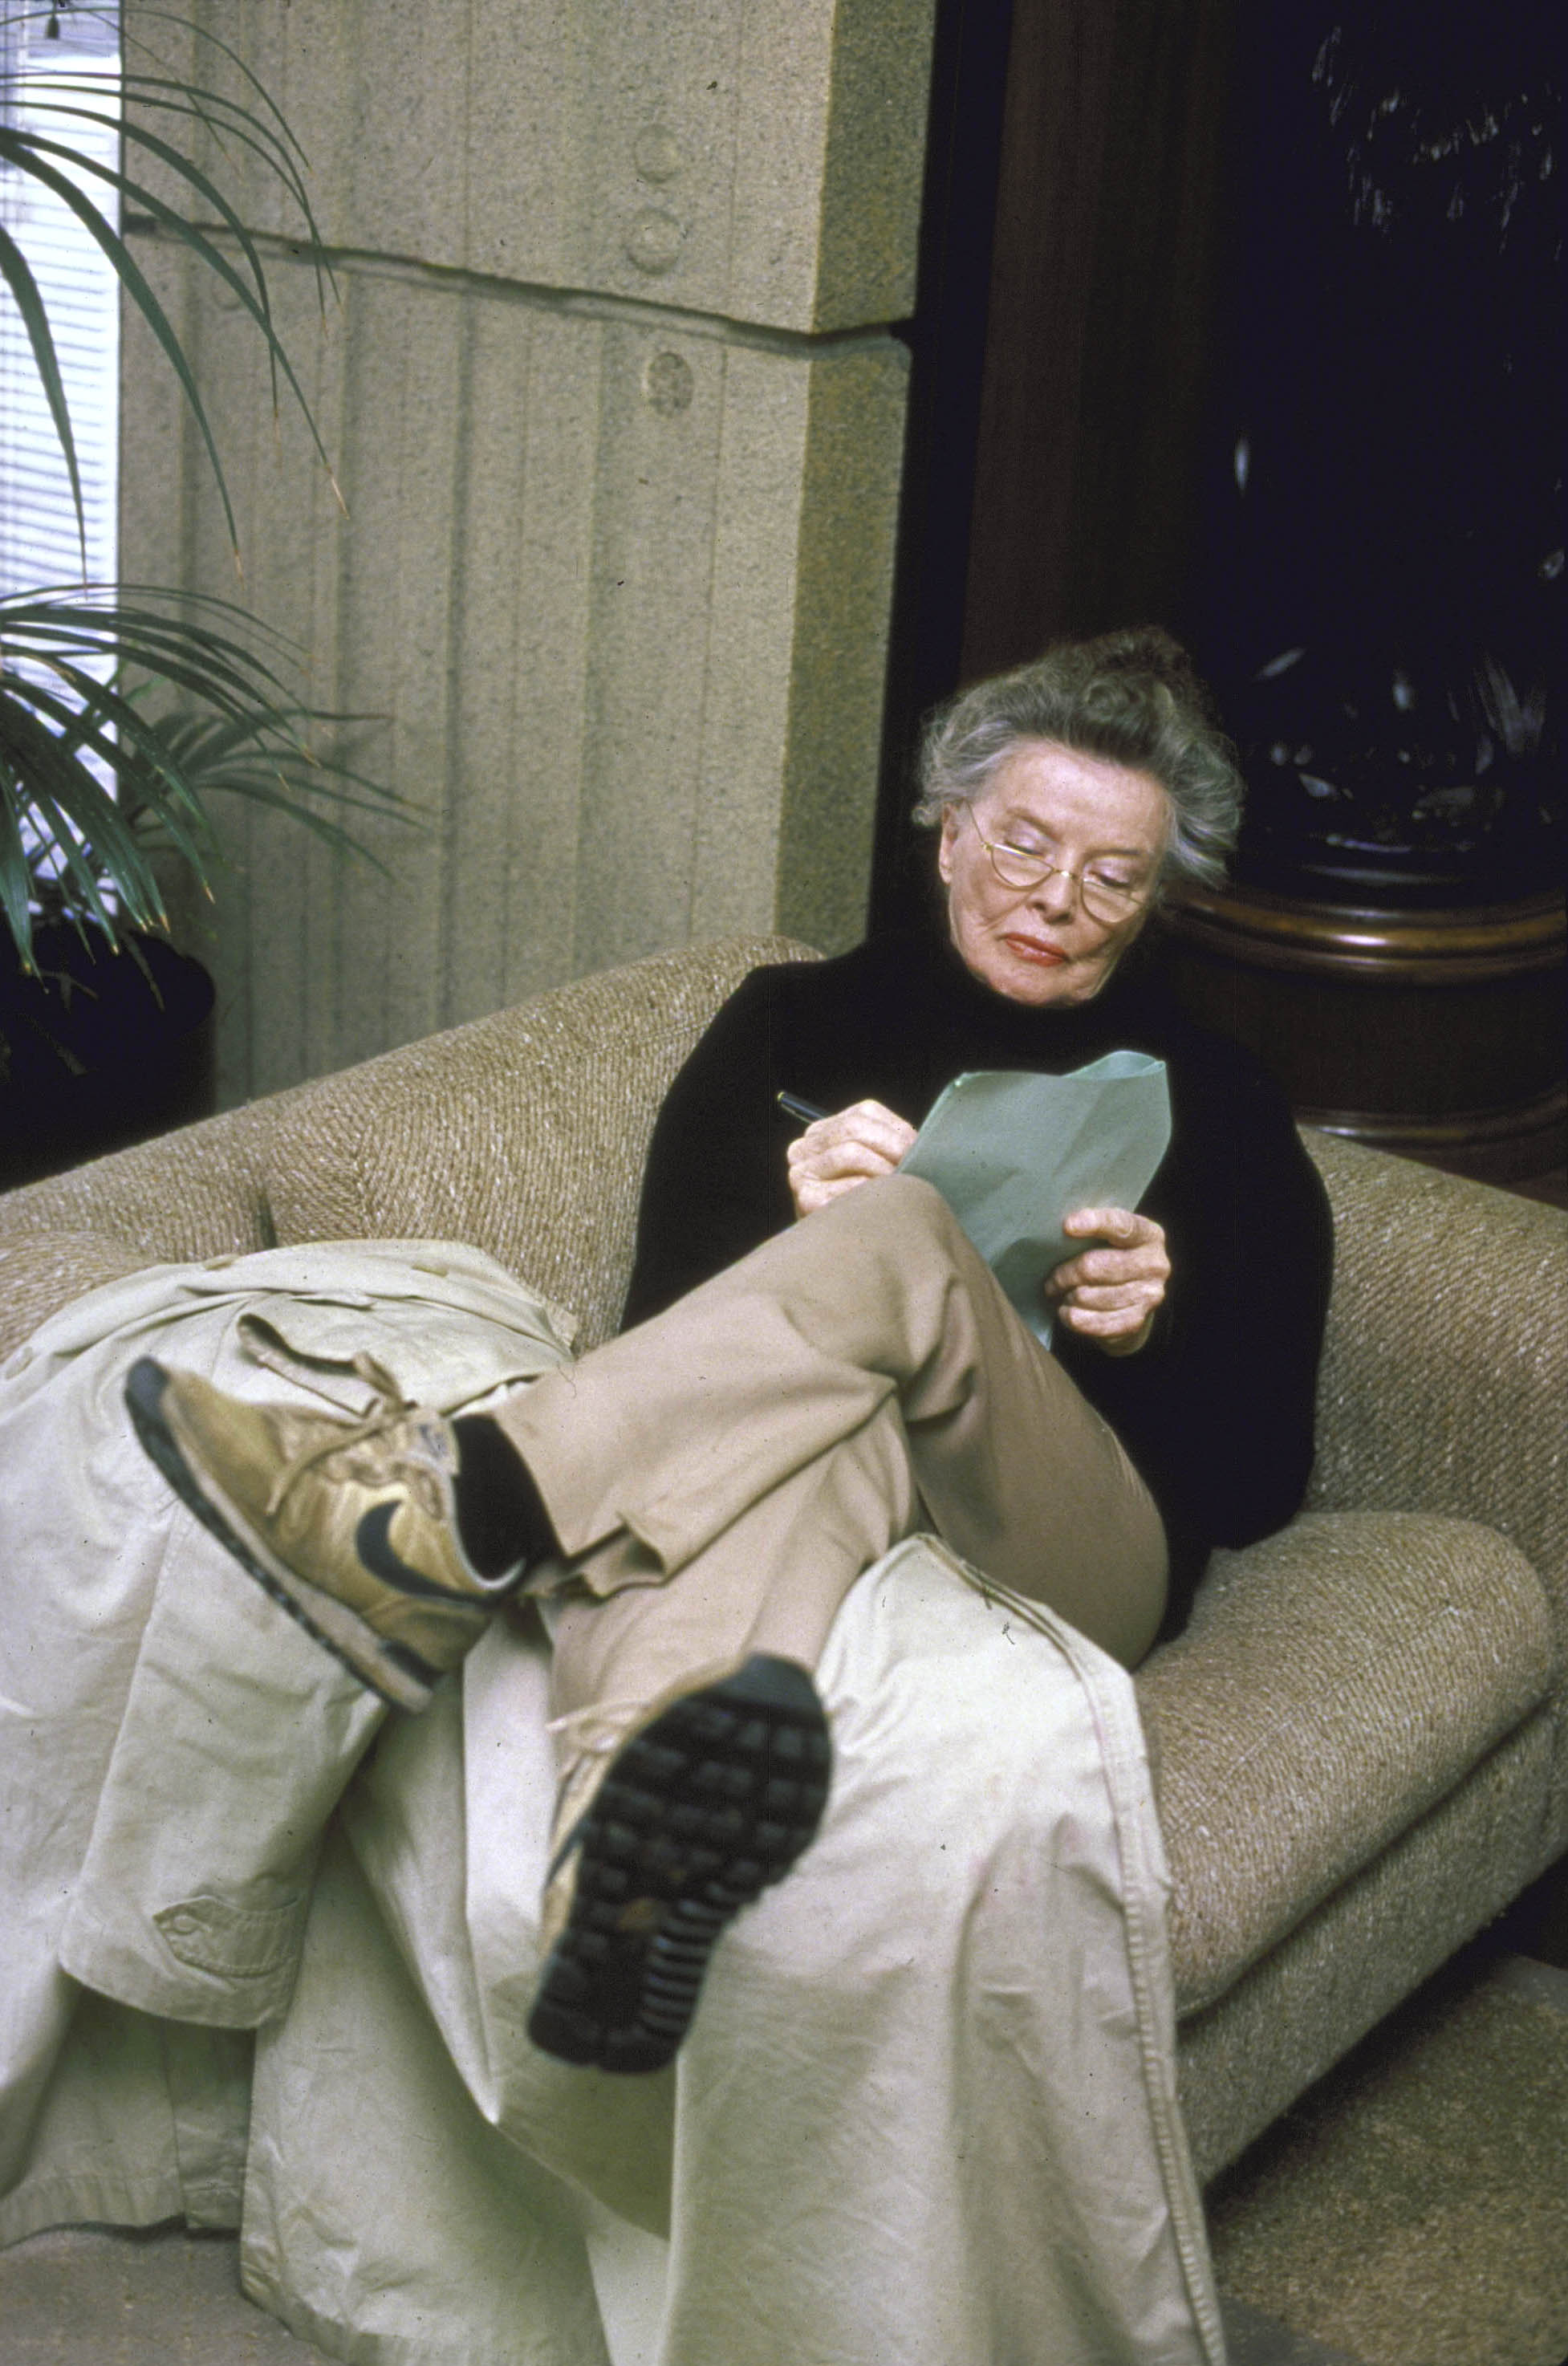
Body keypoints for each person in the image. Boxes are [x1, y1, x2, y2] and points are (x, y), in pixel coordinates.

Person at [2, 626, 1331, 2363]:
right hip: (839, 1465)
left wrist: (1157, 1324)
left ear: (1151, 899)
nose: (1058, 897)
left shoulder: (1214, 1104)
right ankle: (612, 1891)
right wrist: (788, 1222)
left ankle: (455, 1512)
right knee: (804, 1414)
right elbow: (664, 1350)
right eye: (1022, 841)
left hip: (1086, 1534)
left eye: (1111, 873)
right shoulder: (788, 1023)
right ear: (943, 826)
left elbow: (1261, 1478)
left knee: (906, 1239)